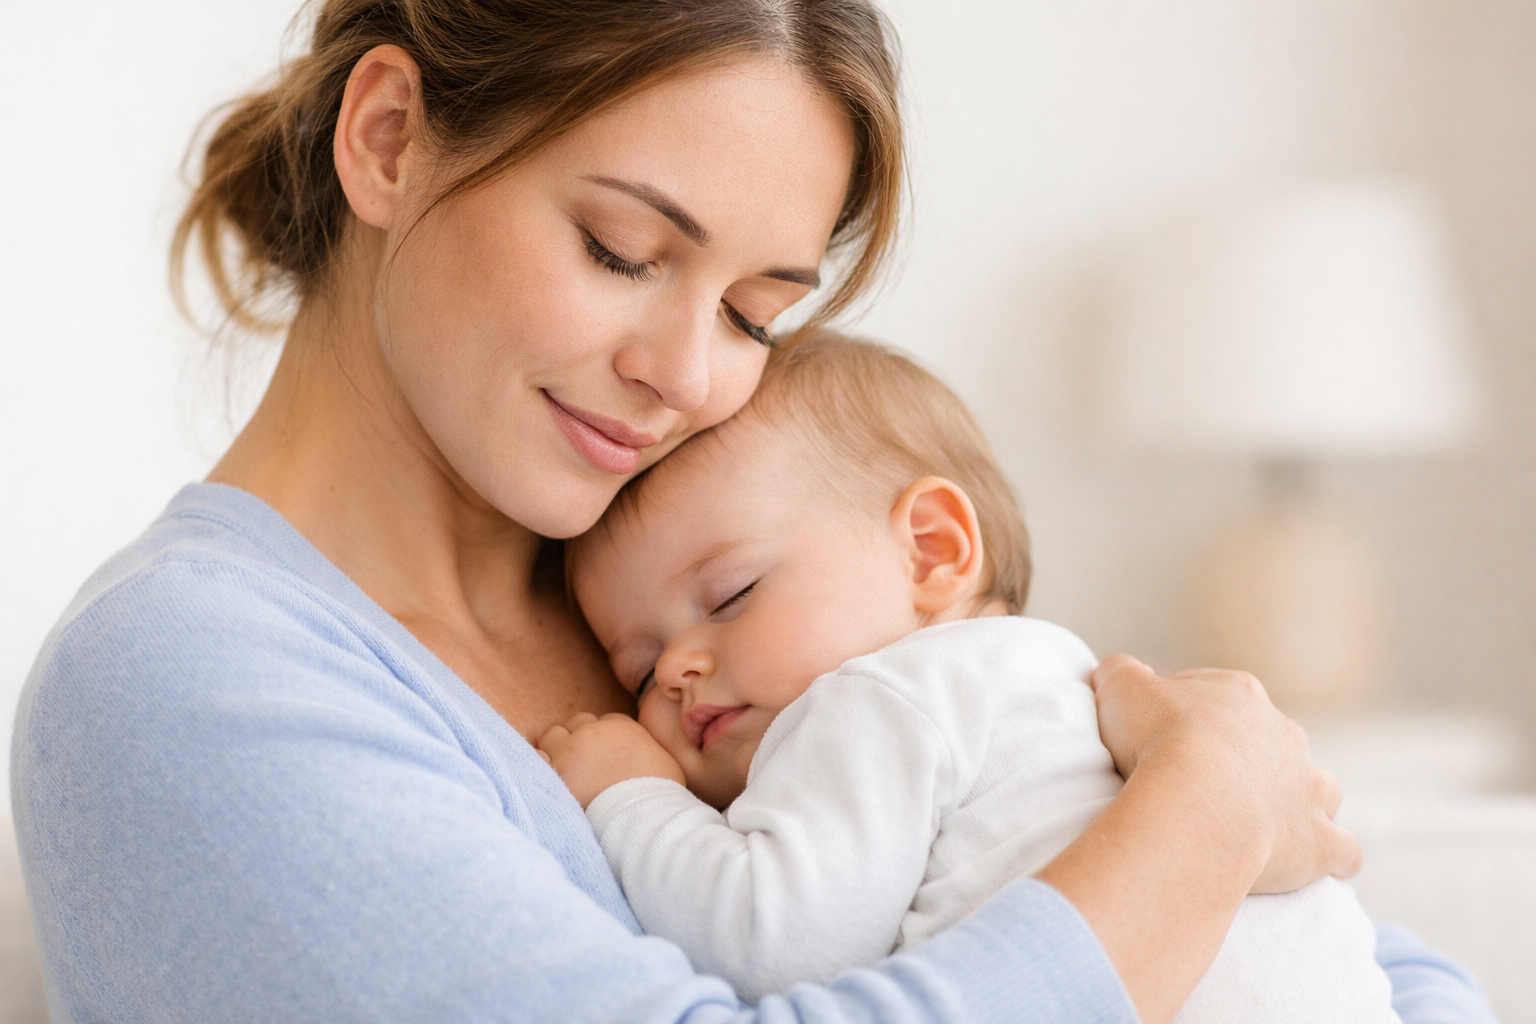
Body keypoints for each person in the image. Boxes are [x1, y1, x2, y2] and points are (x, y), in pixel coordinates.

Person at [9, 2, 1492, 1023]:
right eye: (621, 248)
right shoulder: (179, 684)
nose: (686, 374)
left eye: (755, 310)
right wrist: (1209, 806)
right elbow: (1192, 869)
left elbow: (1372, 974)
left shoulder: (711, 595)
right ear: (389, 138)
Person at [542, 334, 1401, 1022]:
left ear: (931, 550)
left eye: (731, 596)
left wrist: (629, 794)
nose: (680, 670)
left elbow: (773, 940)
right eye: (642, 669)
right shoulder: (1057, 680)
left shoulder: (878, 698)